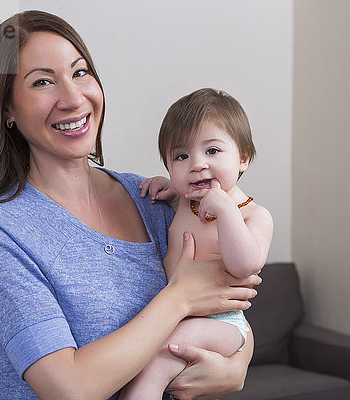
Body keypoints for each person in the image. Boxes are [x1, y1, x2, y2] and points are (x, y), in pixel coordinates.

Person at [0, 10, 261, 400]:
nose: (73, 98)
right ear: (8, 109)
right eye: (43, 81)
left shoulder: (151, 198)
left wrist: (237, 362)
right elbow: (66, 388)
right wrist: (179, 297)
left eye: (79, 72)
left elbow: (224, 308)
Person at [121, 88, 273, 398]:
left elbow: (245, 265)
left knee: (159, 354)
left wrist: (225, 209)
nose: (197, 164)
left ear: (243, 158)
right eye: (181, 156)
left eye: (212, 151)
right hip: (177, 311)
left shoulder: (253, 215)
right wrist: (164, 185)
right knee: (142, 350)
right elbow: (176, 190)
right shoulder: (183, 202)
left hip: (223, 322)